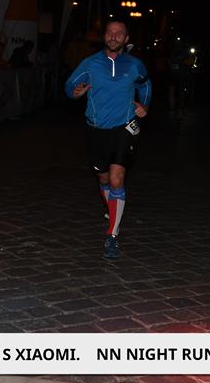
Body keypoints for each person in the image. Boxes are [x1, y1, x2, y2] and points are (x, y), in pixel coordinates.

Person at [64, 18, 152, 259]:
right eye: (110, 33)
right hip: (96, 129)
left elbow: (145, 85)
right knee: (103, 178)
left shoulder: (134, 64)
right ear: (105, 37)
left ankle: (112, 235)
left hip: (125, 126)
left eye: (119, 33)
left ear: (126, 39)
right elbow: (69, 85)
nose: (113, 37)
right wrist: (75, 92)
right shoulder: (90, 63)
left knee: (116, 179)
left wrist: (144, 105)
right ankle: (113, 209)